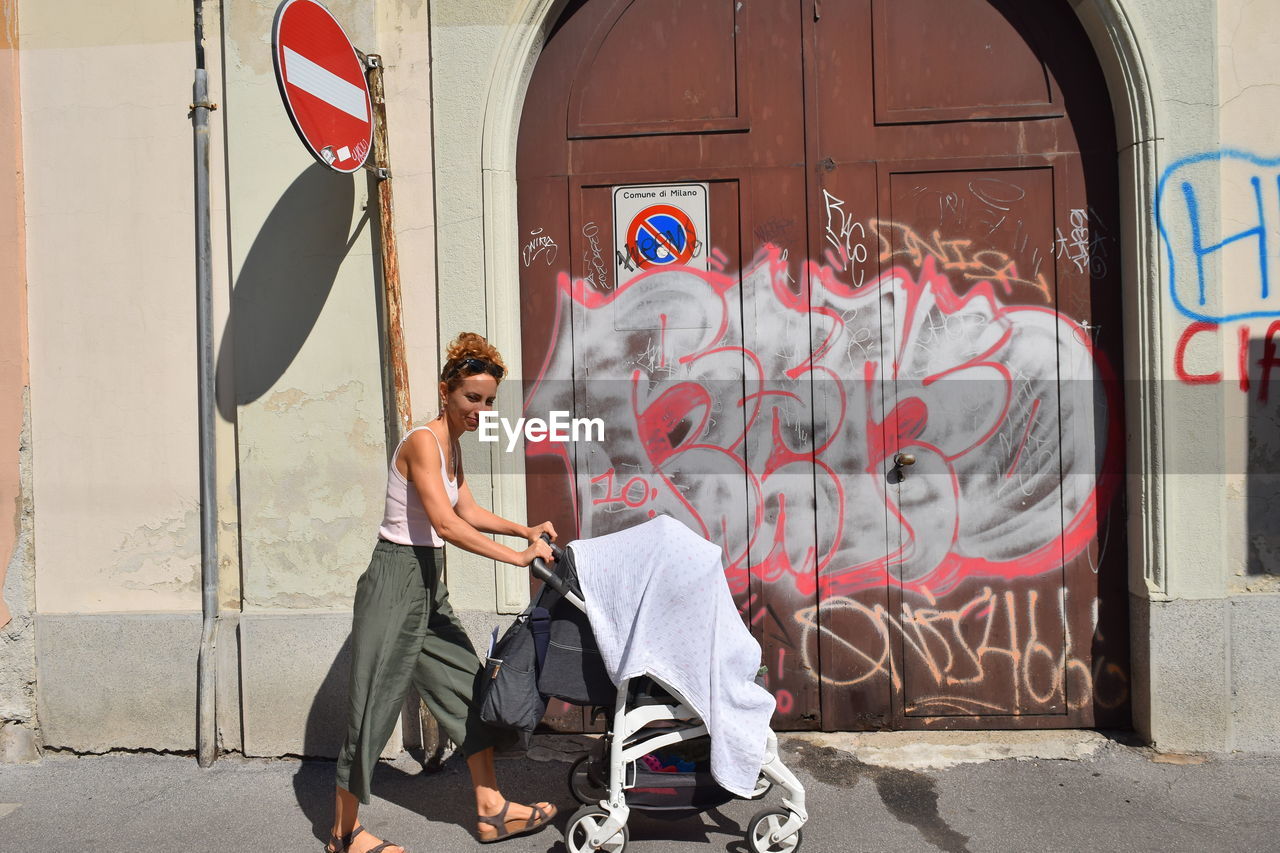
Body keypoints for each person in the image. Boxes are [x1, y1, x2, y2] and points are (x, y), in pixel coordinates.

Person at [327, 333, 559, 852]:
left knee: (467, 686)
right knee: (371, 707)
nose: (480, 408)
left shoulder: (452, 445)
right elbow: (446, 524)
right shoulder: (422, 442)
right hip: (394, 580)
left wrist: (524, 531)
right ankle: (343, 835)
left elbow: (468, 511)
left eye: (489, 400)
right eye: (471, 397)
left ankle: (491, 810)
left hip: (429, 583)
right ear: (446, 392)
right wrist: (518, 559)